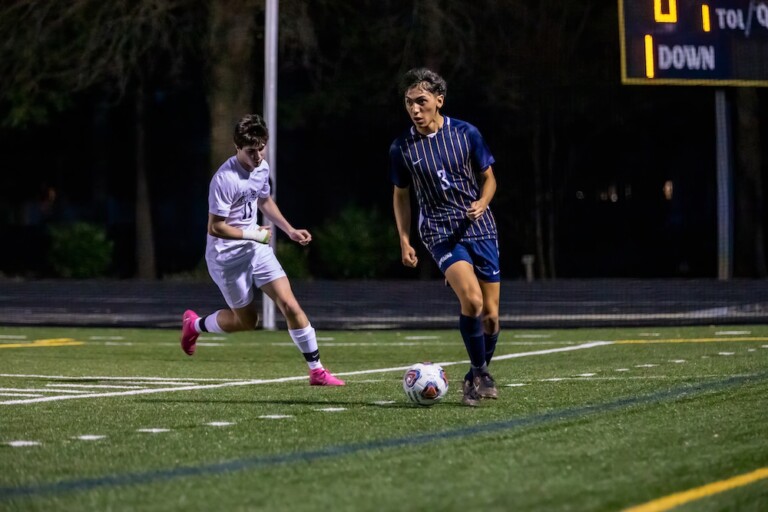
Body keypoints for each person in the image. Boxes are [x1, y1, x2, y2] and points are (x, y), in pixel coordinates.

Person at [181, 113, 345, 386]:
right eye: (251, 151)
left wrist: (289, 229)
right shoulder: (224, 179)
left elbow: (264, 200)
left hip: (256, 250)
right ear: (237, 147)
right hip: (227, 258)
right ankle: (194, 325)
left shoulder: (262, 167)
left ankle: (317, 371)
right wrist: (252, 233)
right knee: (247, 321)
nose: (257, 156)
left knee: (289, 304)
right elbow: (215, 227)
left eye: (261, 148)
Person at [389, 68, 500, 406]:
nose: (415, 109)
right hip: (439, 231)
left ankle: (472, 376)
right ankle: (481, 372)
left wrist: (482, 202)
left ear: (439, 100)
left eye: (421, 101)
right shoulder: (402, 148)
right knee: (473, 301)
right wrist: (404, 239)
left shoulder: (467, 133)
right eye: (409, 103)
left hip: (480, 228)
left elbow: (490, 178)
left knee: (491, 316)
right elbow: (401, 195)